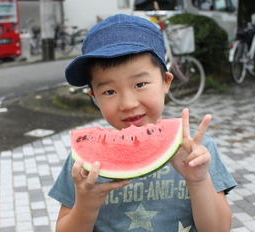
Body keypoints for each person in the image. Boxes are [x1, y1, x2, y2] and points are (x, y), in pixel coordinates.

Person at [48, 14, 236, 232]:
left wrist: (198, 181)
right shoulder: (82, 164)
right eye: (109, 91)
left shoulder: (197, 151)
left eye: (140, 84)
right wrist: (85, 206)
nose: (127, 104)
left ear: (165, 82)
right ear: (94, 96)